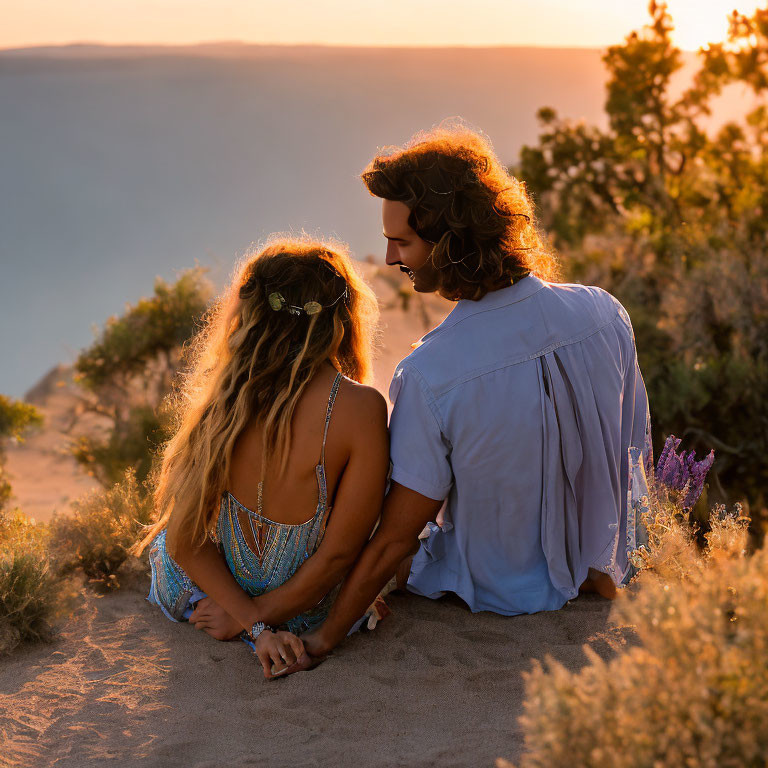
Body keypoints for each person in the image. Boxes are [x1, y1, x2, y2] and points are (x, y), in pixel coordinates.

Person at [296, 124, 653, 665]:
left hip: (500, 590)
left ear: (454, 242)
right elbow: (636, 452)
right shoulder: (605, 313)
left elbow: (396, 538)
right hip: (604, 570)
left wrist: (325, 638)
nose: (390, 257)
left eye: (404, 241)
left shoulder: (429, 374)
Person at [132, 237, 390, 679]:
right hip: (307, 609)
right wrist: (261, 621)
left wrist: (248, 620)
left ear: (252, 315)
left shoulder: (226, 402)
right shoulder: (360, 408)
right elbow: (336, 558)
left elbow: (184, 540)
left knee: (163, 546)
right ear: (341, 318)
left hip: (213, 596)